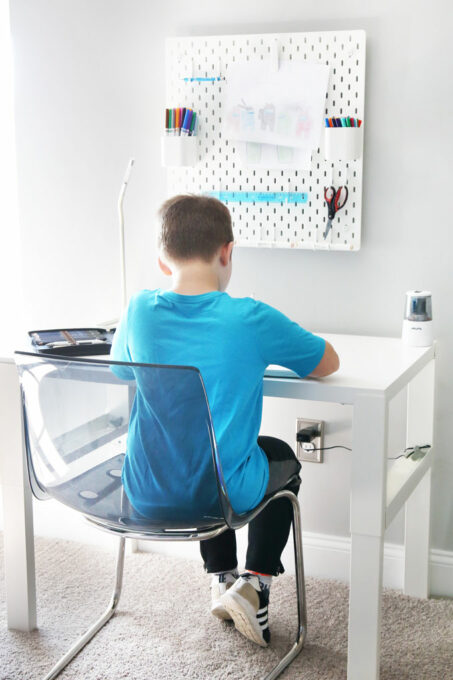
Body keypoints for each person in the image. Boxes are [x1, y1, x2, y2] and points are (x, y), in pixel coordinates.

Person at [111, 194, 339, 647]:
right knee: (278, 456)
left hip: (145, 492)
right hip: (221, 495)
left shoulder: (137, 310)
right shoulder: (249, 318)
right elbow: (327, 362)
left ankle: (221, 577)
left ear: (161, 261)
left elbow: (121, 369)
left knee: (193, 446)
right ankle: (254, 585)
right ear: (227, 252)